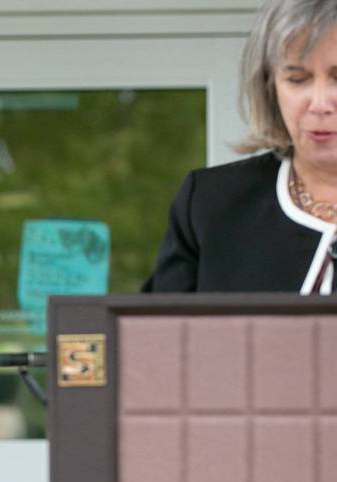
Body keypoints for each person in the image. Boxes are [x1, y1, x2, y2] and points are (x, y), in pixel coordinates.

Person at [144, 0, 337, 293]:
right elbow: (151, 333)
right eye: (298, 79)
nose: (320, 104)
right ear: (270, 88)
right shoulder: (211, 204)